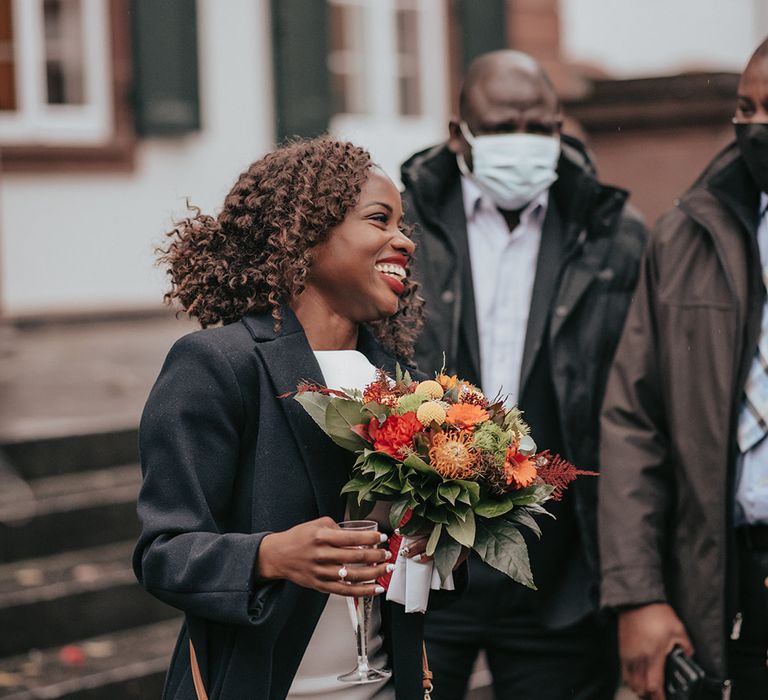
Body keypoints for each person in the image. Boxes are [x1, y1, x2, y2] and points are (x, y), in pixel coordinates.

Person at [132, 137, 461, 699]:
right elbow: (164, 553)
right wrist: (269, 555)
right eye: (379, 219)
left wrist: (445, 538)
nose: (404, 240)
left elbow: (432, 573)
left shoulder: (407, 382)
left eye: (405, 225)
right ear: (304, 232)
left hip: (384, 686)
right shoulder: (218, 365)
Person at [400, 50, 647, 699]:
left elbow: (639, 404)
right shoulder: (402, 228)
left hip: (560, 572)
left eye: (542, 128)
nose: (525, 142)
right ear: (460, 135)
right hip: (425, 564)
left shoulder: (613, 234)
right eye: (504, 125)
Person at [599, 38, 768, 700]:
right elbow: (634, 421)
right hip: (730, 590)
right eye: (746, 108)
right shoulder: (690, 232)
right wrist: (638, 594)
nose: (755, 128)